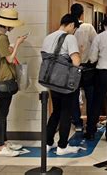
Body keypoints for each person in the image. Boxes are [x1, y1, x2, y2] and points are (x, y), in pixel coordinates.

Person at [41, 14, 82, 155]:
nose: (74, 31)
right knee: (66, 112)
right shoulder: (69, 38)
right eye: (74, 28)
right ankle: (62, 146)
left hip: (51, 81)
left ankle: (48, 142)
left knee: (56, 111)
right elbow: (76, 61)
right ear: (71, 25)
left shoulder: (48, 37)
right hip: (64, 82)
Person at [0, 8, 27, 157]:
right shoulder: (3, 38)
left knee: (2, 112)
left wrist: (11, 48)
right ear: (8, 24)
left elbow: (4, 55)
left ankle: (4, 142)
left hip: (1, 78)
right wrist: (18, 43)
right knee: (2, 113)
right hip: (5, 79)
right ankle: (0, 147)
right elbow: (10, 59)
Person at [70, 3, 97, 132]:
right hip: (88, 67)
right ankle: (91, 122)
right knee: (90, 96)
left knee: (74, 96)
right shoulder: (88, 27)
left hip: (72, 67)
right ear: (82, 14)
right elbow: (96, 44)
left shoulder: (69, 28)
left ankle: (77, 122)